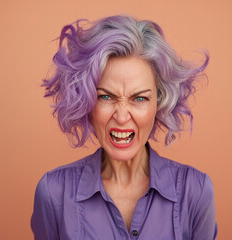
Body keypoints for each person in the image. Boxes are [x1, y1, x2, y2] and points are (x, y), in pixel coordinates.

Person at [31, 15, 217, 239]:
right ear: (86, 102)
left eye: (139, 99)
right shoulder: (53, 194)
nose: (121, 117)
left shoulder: (195, 192)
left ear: (160, 103)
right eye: (106, 97)